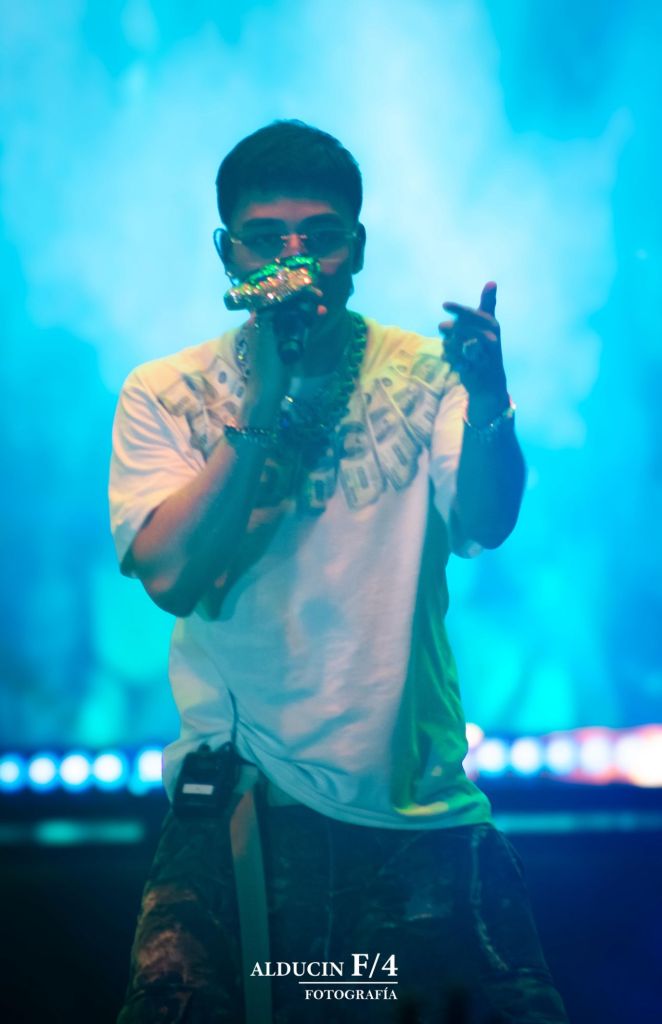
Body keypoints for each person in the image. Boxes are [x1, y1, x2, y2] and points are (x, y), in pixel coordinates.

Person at [109, 120, 568, 1023]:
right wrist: (263, 401)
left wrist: (488, 401)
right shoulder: (163, 391)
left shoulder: (428, 373)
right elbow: (170, 576)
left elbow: (488, 520)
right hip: (243, 802)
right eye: (266, 238)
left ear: (356, 250)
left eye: (319, 237)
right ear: (227, 254)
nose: (296, 260)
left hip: (413, 806)